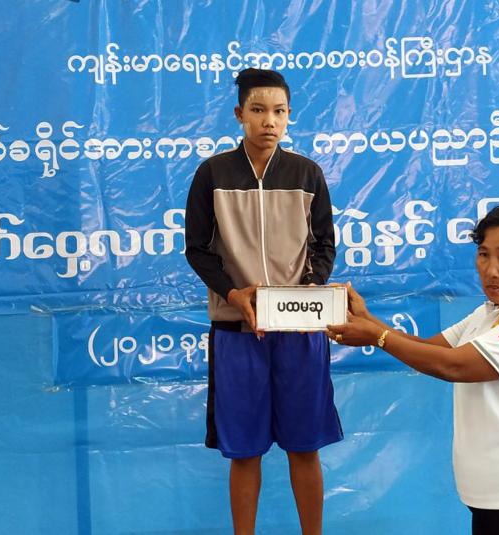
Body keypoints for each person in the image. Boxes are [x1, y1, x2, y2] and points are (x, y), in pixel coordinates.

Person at [328, 204, 499, 535]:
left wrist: (376, 337)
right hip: (491, 502)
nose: (491, 270)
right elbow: (432, 349)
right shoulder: (489, 313)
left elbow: (453, 365)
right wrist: (368, 319)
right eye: (483, 255)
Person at [184, 68, 342, 535]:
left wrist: (311, 286)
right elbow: (197, 249)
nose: (269, 121)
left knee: (305, 447)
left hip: (299, 329)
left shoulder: (307, 174)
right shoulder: (212, 174)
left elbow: (324, 244)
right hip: (236, 331)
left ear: (289, 116)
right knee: (245, 452)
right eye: (258, 110)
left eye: (279, 112)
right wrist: (233, 293)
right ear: (240, 114)